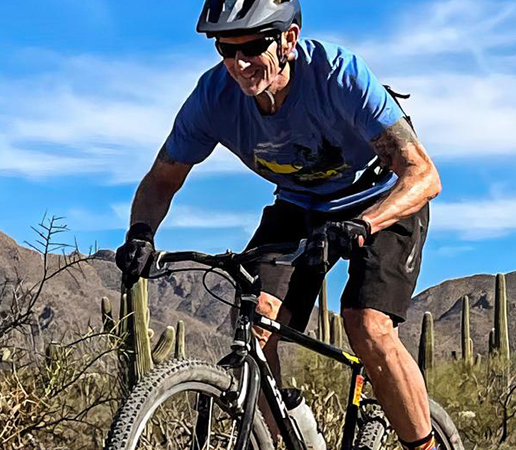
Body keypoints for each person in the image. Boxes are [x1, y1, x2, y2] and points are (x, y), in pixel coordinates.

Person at [113, 1, 443, 449]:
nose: (239, 63)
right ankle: (291, 432)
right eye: (226, 50)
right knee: (256, 317)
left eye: (252, 46)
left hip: (383, 199)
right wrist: (140, 235)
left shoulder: (338, 76)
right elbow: (162, 179)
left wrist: (365, 224)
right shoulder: (213, 98)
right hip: (300, 205)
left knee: (366, 323)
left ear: (289, 39)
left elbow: (422, 174)